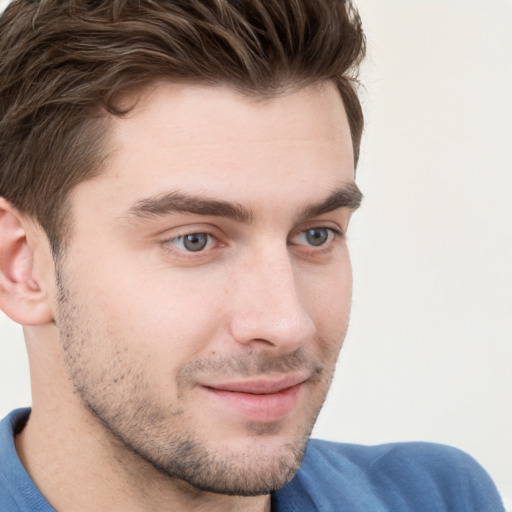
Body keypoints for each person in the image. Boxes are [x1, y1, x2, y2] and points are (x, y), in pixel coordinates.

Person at [0, 0, 505, 511]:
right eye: (193, 240)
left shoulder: (436, 498)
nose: (287, 323)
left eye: (315, 235)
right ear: (19, 268)